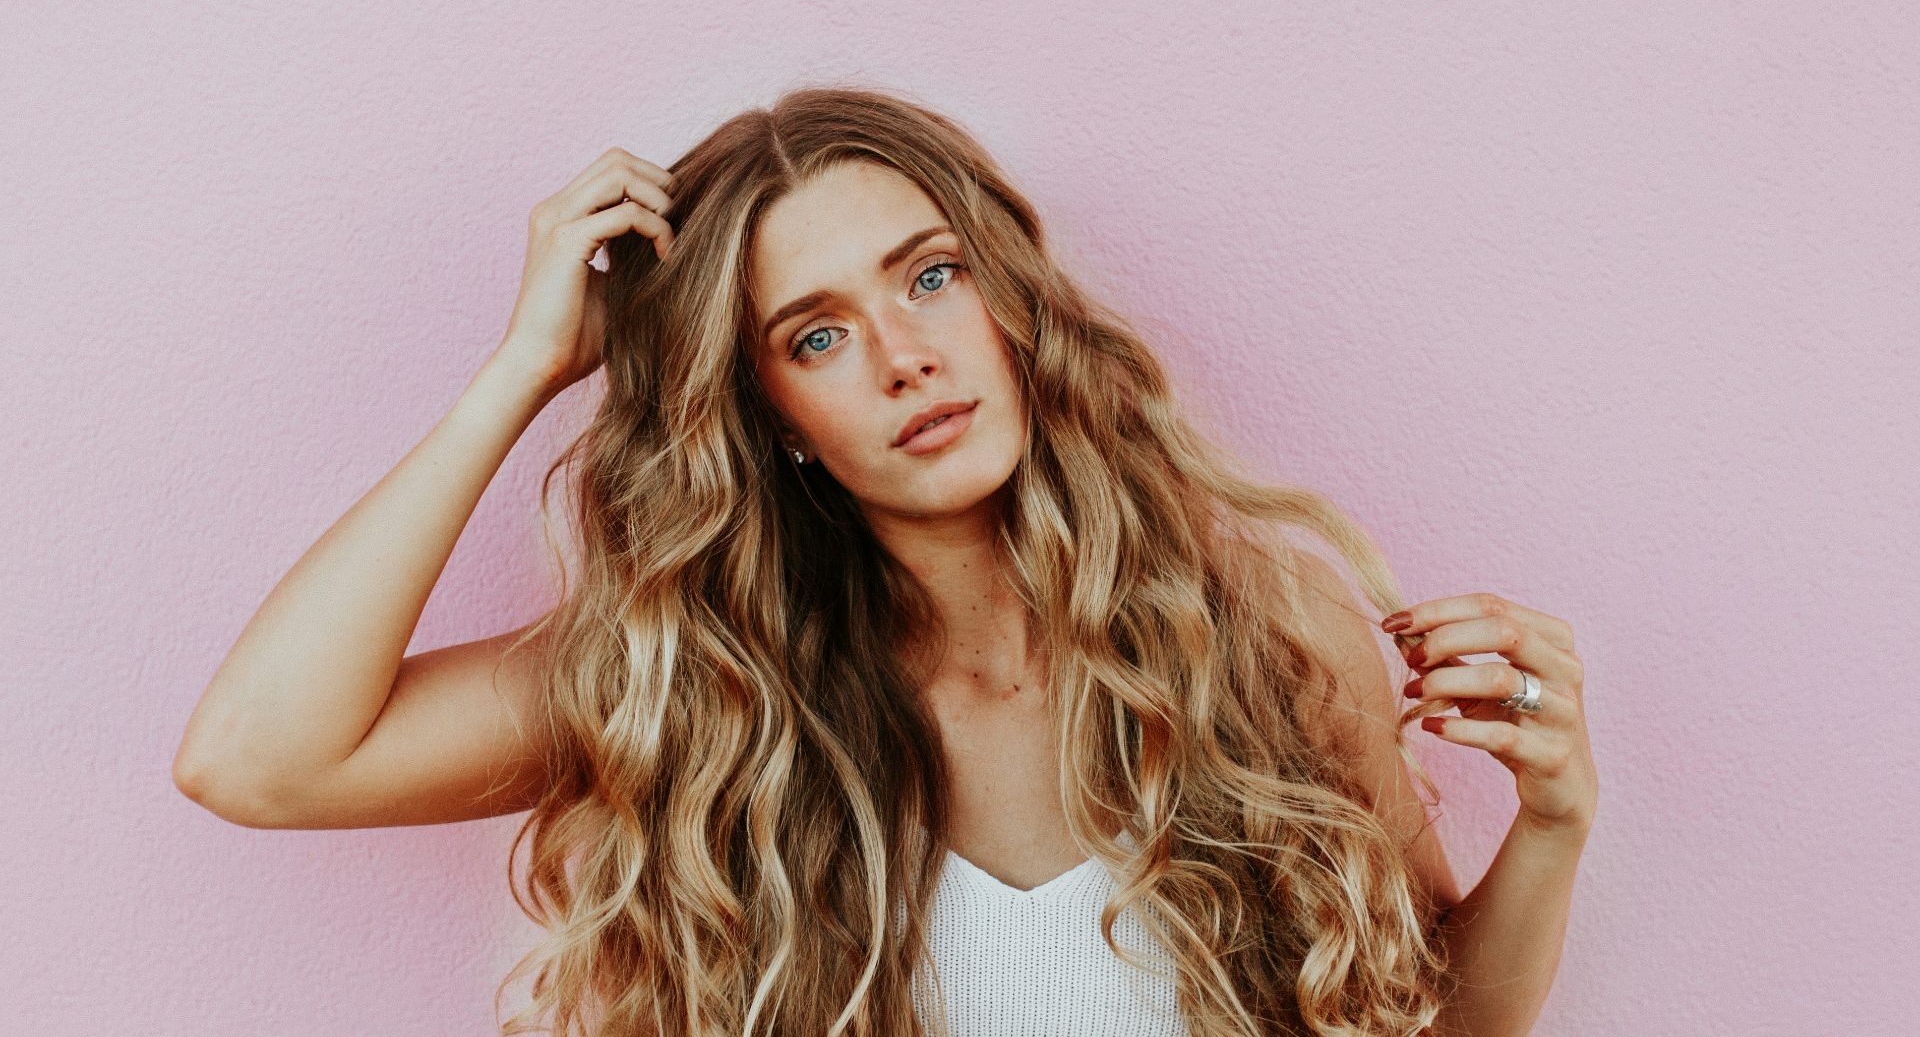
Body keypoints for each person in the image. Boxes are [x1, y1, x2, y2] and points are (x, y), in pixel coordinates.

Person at [172, 85, 1597, 1037]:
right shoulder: (701, 689)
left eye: (930, 276)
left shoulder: (1258, 629)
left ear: (1010, 300)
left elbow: (1434, 1028)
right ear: (772, 418)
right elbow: (258, 758)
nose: (906, 355)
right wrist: (530, 365)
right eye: (816, 334)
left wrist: (1549, 826)